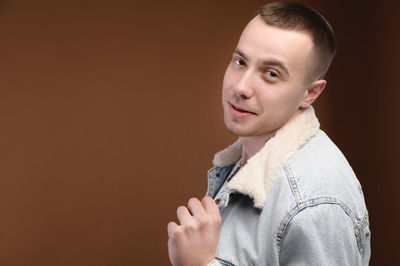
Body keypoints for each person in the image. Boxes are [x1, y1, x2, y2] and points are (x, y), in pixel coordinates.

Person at [167, 1, 371, 265]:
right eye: (240, 62)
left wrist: (201, 263)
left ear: (310, 93)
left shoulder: (315, 203)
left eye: (271, 74)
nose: (240, 87)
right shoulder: (249, 160)